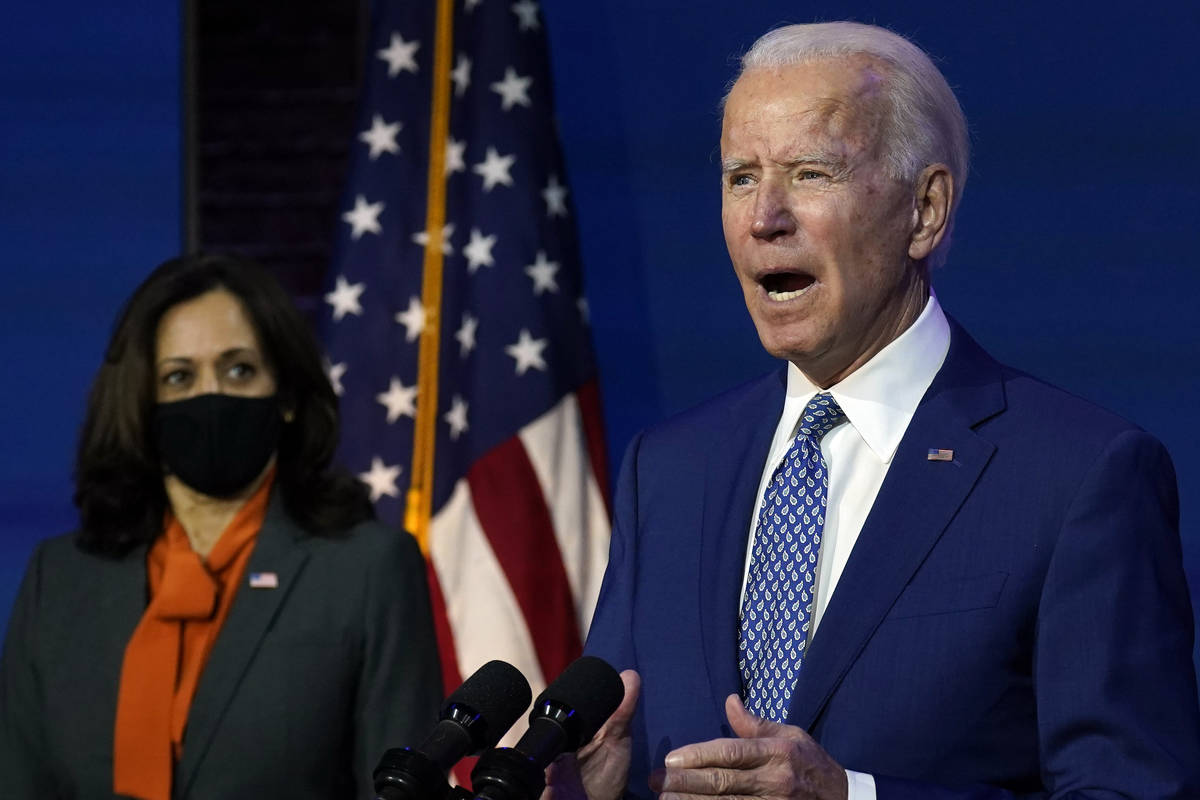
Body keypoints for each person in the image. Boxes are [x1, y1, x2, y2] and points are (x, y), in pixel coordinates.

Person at [572, 21, 1200, 800]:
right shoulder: (665, 471)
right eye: (741, 176)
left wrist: (853, 797)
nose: (765, 215)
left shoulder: (1078, 476)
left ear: (925, 210)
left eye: (810, 174)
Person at [0, 253, 443, 799]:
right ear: (141, 401)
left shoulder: (368, 570)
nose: (211, 396)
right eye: (179, 377)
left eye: (239, 370)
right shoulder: (60, 577)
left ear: (283, 394)